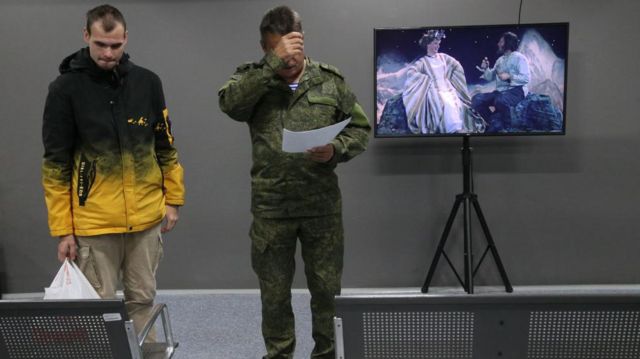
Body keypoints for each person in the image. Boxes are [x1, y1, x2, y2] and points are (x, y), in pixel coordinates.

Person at [218, 5, 370, 358]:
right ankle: (279, 355)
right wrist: (271, 65)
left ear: (302, 42)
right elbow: (230, 105)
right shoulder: (253, 81)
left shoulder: (330, 80)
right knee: (274, 295)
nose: (288, 61)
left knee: (327, 292)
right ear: (265, 47)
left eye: (292, 51)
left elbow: (360, 129)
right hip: (272, 210)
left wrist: (335, 150)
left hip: (321, 209)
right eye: (277, 52)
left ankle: (328, 354)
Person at [41, 4, 185, 336]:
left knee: (143, 300)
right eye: (101, 45)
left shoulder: (148, 82)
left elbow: (165, 145)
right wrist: (64, 229)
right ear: (86, 36)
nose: (108, 53)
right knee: (98, 311)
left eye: (116, 46)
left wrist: (173, 199)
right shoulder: (64, 90)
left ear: (126, 39)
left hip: (146, 220)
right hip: (94, 225)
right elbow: (55, 166)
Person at [403, 30, 483, 134]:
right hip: (434, 90)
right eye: (435, 43)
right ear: (428, 44)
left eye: (438, 44)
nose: (437, 46)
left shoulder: (443, 57)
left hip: (448, 88)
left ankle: (458, 127)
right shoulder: (422, 62)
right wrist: (426, 79)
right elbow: (411, 72)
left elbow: (456, 64)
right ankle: (452, 129)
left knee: (457, 103)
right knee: (444, 103)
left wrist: (451, 75)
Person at [472, 31, 531, 132]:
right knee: (477, 99)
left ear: (508, 43)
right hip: (500, 92)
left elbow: (526, 78)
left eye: (501, 42)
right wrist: (486, 69)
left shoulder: (519, 58)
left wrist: (509, 76)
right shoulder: (500, 60)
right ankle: (491, 121)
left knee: (500, 100)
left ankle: (508, 128)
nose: (498, 44)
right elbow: (491, 77)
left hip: (516, 90)